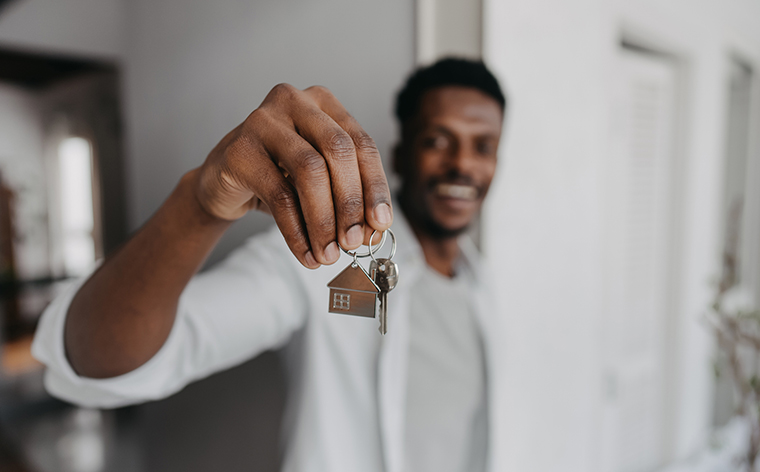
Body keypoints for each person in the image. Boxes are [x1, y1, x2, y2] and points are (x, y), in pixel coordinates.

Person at [32, 58, 505, 472]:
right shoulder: (327, 256)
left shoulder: (488, 288)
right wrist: (200, 204)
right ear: (401, 154)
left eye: (483, 146)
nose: (463, 164)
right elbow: (96, 361)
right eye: (438, 141)